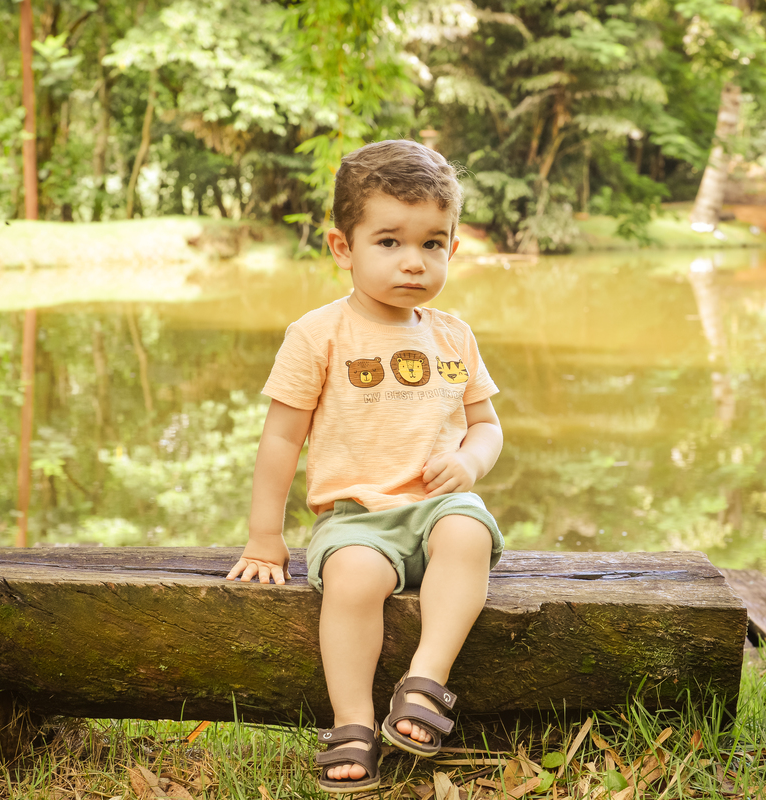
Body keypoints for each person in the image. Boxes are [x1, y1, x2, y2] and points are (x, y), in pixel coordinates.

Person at [225, 139, 504, 793]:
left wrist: (469, 461)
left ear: (453, 250)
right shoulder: (318, 334)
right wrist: (266, 535)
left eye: (433, 244)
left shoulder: (452, 334)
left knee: (468, 533)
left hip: (438, 507)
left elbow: (487, 425)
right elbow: (281, 441)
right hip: (357, 517)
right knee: (351, 579)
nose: (414, 262)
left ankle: (425, 683)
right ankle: (353, 720)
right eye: (389, 242)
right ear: (342, 248)